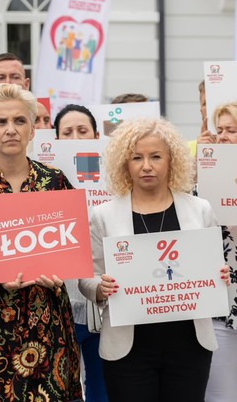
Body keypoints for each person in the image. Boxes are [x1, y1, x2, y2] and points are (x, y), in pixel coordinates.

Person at [78, 117, 227, 402]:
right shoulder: (104, 215)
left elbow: (215, 268)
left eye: (156, 156)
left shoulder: (199, 209)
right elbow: (87, 277)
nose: (146, 165)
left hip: (190, 345)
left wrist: (219, 276)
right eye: (137, 157)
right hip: (127, 349)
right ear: (125, 163)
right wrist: (100, 287)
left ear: (171, 160)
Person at [0, 83, 82, 402]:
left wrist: (59, 272)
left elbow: (71, 248)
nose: (10, 129)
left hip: (46, 320)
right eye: (1, 122)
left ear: (33, 129)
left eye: (20, 120)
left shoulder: (55, 181)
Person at [53, 104, 108, 402]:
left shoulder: (117, 176)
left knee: (102, 386)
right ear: (56, 139)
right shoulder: (45, 181)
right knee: (65, 387)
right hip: (64, 299)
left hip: (104, 298)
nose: (75, 137)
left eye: (82, 130)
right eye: (67, 132)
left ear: (97, 136)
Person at [203, 102, 237, 402]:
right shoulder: (203, 184)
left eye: (232, 130)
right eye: (220, 130)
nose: (223, 136)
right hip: (222, 307)